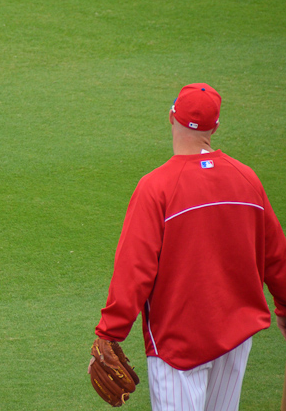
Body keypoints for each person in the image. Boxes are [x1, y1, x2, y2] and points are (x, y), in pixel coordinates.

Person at [93, 83, 286, 410]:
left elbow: (135, 270)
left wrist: (110, 332)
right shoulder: (247, 179)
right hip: (236, 339)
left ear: (171, 116)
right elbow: (276, 256)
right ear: (216, 127)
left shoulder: (156, 188)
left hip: (178, 344)